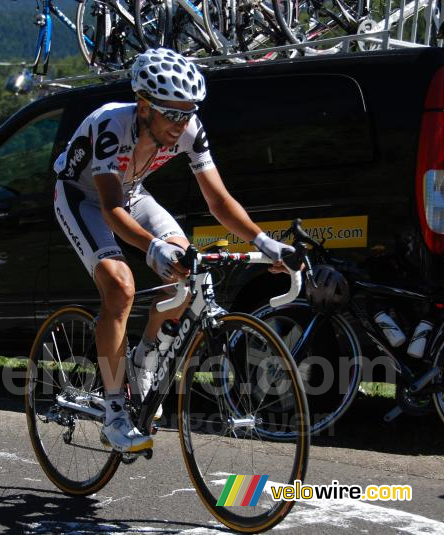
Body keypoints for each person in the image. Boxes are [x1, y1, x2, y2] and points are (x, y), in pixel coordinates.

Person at [52, 48, 294, 453]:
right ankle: (114, 412)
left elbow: (218, 201)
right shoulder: (112, 124)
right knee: (120, 286)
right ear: (144, 106)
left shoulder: (188, 127)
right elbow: (109, 208)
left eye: (188, 113)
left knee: (189, 267)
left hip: (132, 193)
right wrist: (152, 249)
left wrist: (265, 242)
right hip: (82, 198)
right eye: (172, 114)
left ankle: (144, 358)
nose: (181, 123)